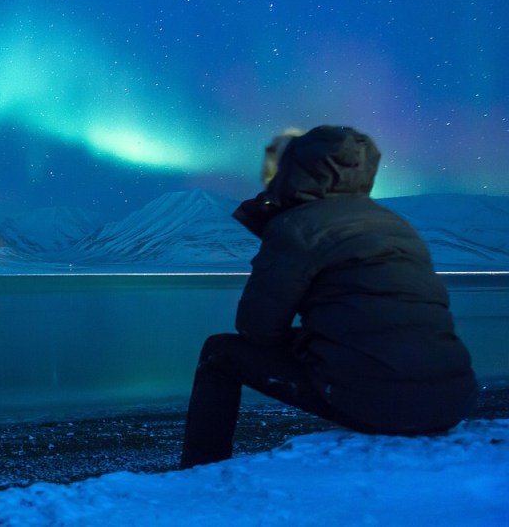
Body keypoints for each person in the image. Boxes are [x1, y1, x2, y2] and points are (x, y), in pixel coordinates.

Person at [178, 125, 477, 469]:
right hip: (452, 402)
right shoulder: (395, 225)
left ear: (295, 170)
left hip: (385, 406)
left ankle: (199, 469)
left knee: (218, 352)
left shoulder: (297, 226)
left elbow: (256, 329)